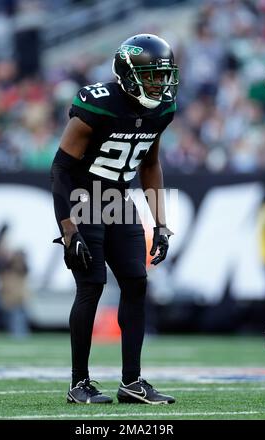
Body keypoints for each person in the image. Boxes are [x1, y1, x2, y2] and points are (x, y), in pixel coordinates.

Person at [51, 34, 179, 404]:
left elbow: (151, 164)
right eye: (153, 75)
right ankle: (79, 383)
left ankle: (132, 382)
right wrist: (68, 227)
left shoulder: (162, 109)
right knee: (91, 286)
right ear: (128, 73)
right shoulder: (98, 104)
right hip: (83, 199)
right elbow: (60, 170)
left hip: (119, 200)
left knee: (137, 283)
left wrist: (161, 223)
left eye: (164, 75)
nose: (161, 83)